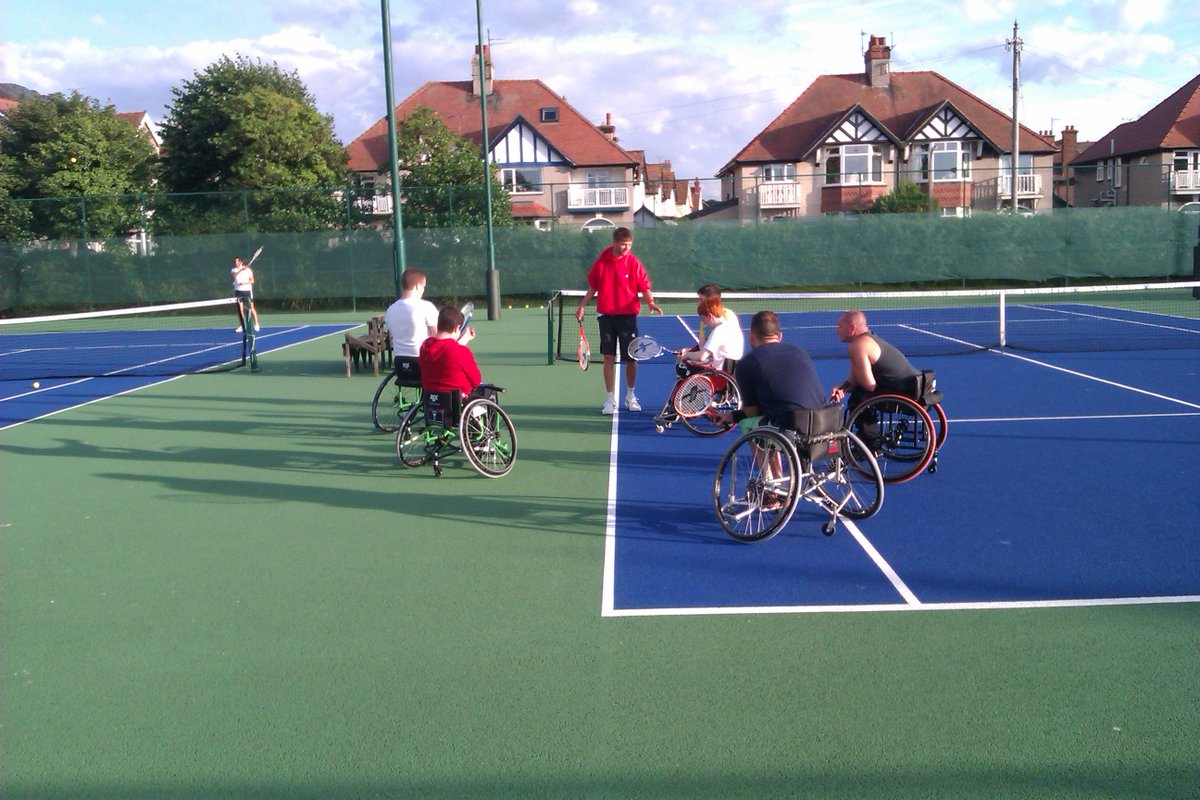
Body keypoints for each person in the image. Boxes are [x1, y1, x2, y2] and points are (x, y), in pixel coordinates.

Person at [574, 227, 662, 415]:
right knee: (608, 357)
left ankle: (630, 396)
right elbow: (592, 287)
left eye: (629, 245)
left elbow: (644, 286)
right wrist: (582, 306)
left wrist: (651, 302)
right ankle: (609, 400)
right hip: (606, 316)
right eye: (623, 244)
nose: (626, 248)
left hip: (627, 317)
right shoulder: (601, 263)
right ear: (614, 243)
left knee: (631, 357)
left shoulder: (633, 263)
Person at [717, 310, 825, 432]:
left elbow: (752, 414)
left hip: (790, 428)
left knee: (747, 424)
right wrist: (731, 416)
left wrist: (735, 416)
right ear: (779, 336)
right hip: (823, 421)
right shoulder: (801, 353)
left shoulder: (746, 364)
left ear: (751, 337)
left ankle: (769, 452)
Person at [828, 309, 920, 409]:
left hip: (906, 392)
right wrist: (842, 388)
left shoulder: (858, 346)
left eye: (840, 326)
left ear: (852, 328)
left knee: (858, 397)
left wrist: (854, 386)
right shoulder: (868, 338)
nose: (837, 331)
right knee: (860, 393)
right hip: (913, 386)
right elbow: (853, 380)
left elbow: (868, 385)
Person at [418, 304, 490, 401]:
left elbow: (445, 349)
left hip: (431, 399)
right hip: (458, 401)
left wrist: (464, 340)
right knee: (489, 390)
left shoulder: (425, 346)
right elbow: (476, 380)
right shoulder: (461, 351)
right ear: (457, 328)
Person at [678, 294, 744, 372]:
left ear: (709, 316)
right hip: (733, 371)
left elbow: (702, 356)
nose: (703, 322)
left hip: (720, 373)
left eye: (703, 319)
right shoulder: (732, 326)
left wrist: (687, 355)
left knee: (681, 368)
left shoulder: (718, 331)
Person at [384, 268, 439, 358]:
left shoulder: (390, 310)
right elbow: (439, 337)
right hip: (423, 360)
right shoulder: (426, 307)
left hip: (399, 360)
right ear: (417, 286)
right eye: (423, 287)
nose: (423, 290)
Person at [231, 256, 260, 332]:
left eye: (237, 261)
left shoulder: (248, 270)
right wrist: (241, 269)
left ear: (241, 262)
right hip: (238, 292)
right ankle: (242, 325)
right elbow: (234, 275)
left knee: (251, 308)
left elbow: (252, 280)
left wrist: (245, 282)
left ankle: (256, 324)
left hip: (247, 291)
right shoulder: (233, 270)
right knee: (240, 310)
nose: (236, 263)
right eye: (235, 262)